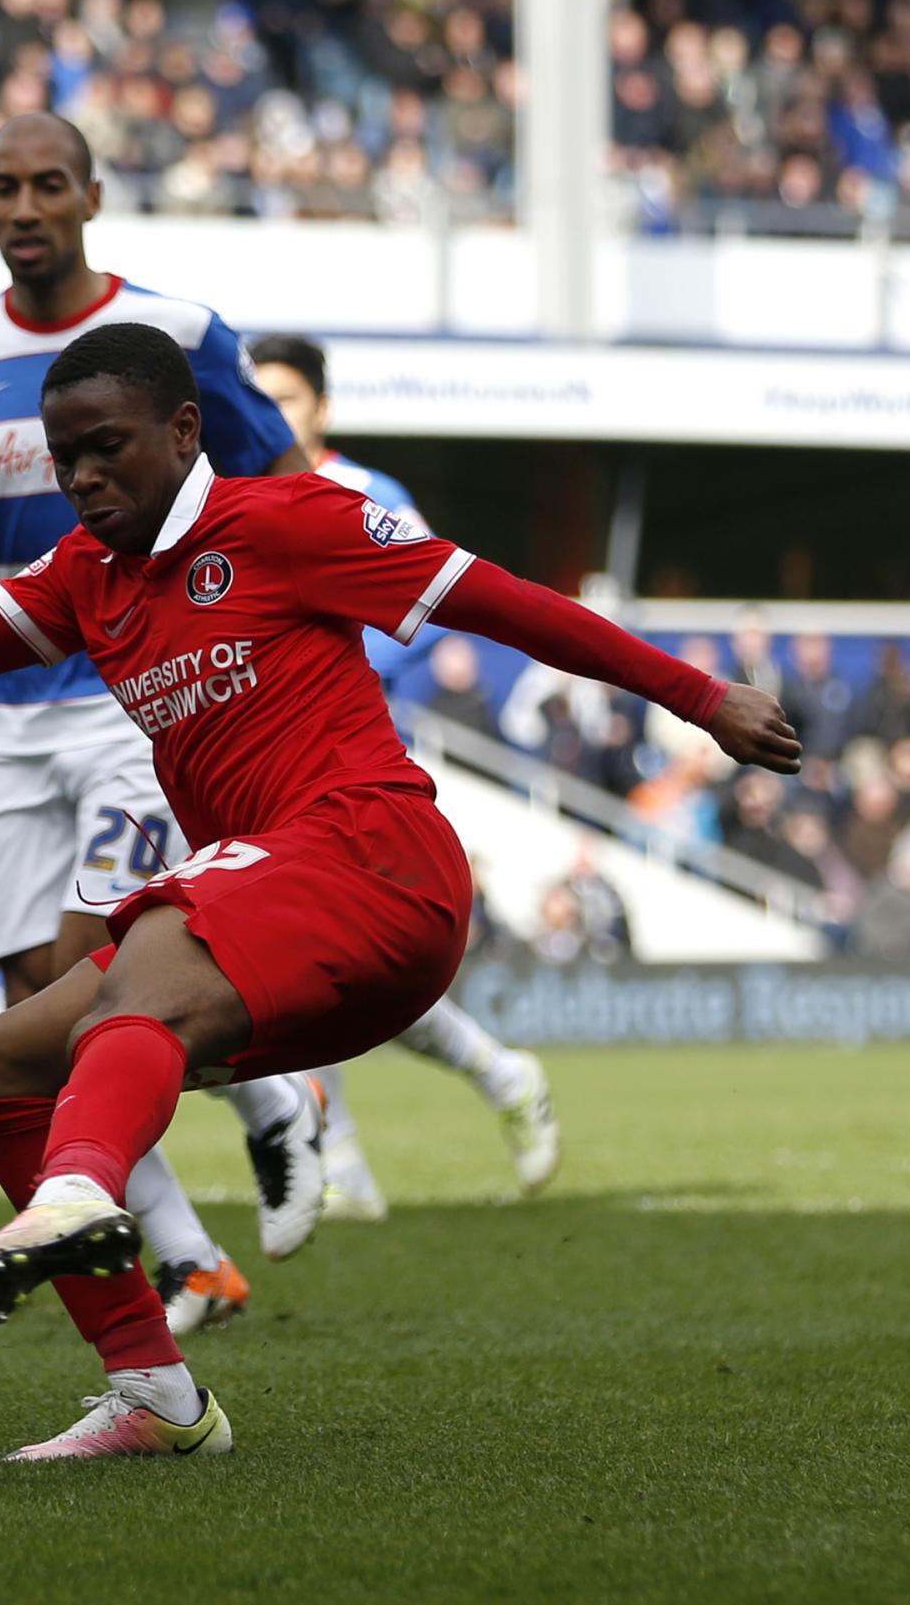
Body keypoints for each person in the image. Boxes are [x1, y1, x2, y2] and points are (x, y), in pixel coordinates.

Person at [0, 322, 799, 1460]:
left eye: (105, 447)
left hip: (381, 860)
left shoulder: (287, 521)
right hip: (285, 915)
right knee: (0, 1060)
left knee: (154, 941)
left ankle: (77, 1192)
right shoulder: (84, 577)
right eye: (63, 458)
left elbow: (507, 603)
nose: (80, 477)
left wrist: (703, 699)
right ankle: (154, 1393)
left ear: (183, 428)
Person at [0, 112, 324, 1333]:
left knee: (99, 965)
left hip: (141, 691)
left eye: (45, 185)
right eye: (0, 188)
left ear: (89, 194)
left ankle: (267, 1100)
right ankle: (188, 1256)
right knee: (38, 998)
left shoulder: (178, 336)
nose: (22, 207)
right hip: (12, 699)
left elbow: (280, 483)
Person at [249, 332, 560, 1216]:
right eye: (259, 398)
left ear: (323, 409)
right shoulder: (226, 496)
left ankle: (350, 1159)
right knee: (321, 965)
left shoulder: (369, 497)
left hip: (344, 760)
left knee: (321, 962)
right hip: (255, 760)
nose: (274, 416)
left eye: (289, 398)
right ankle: (491, 1081)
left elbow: (416, 616)